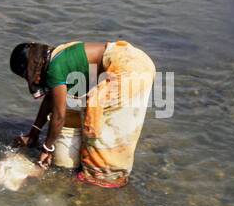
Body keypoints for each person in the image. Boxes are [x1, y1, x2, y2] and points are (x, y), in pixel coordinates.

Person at [9, 38, 156, 187]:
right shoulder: (56, 55)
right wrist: (34, 133)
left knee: (98, 127)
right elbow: (50, 100)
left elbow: (59, 116)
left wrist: (47, 149)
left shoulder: (54, 69)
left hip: (127, 71)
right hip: (137, 60)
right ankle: (110, 171)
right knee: (114, 124)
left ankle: (102, 179)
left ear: (32, 67)